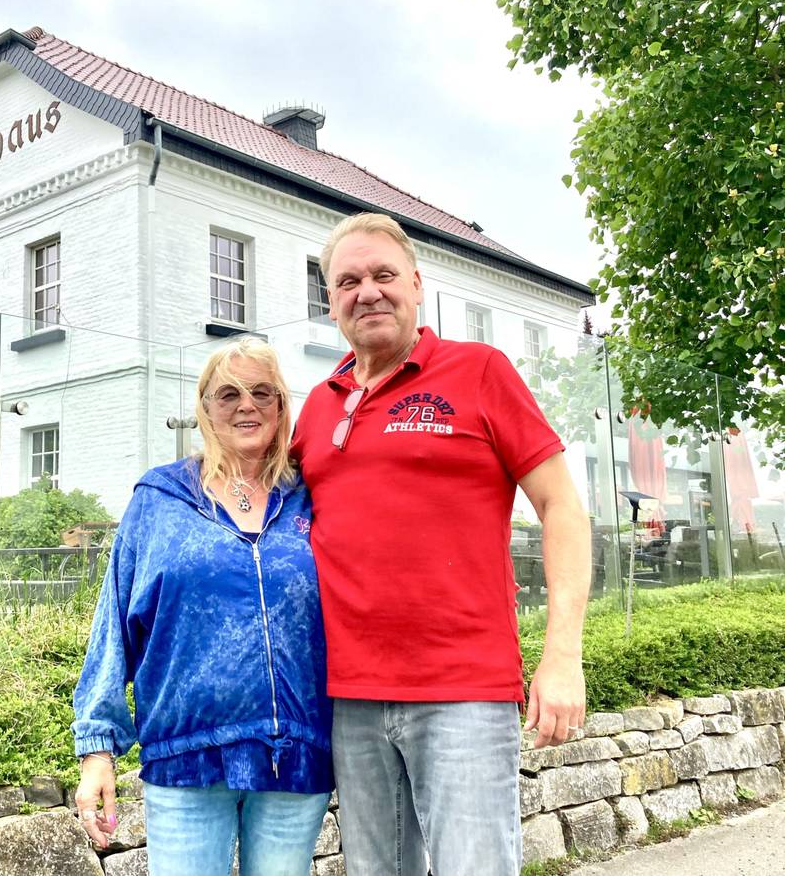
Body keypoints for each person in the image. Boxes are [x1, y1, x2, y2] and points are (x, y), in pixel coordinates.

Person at [291, 213, 592, 876]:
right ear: (331, 301)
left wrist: (562, 655)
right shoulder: (317, 408)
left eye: (382, 275)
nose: (366, 291)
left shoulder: (479, 371)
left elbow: (562, 508)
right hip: (350, 698)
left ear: (417, 285)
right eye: (347, 281)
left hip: (463, 694)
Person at [73, 337, 333, 876]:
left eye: (263, 392)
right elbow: (114, 624)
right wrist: (98, 748)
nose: (246, 405)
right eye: (228, 393)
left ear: (283, 407)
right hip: (187, 757)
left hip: (295, 757)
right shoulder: (161, 498)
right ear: (205, 409)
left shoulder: (312, 495)